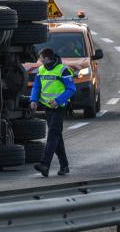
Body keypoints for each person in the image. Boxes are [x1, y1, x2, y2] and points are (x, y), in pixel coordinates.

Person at [30, 47, 76, 177]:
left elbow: (71, 89)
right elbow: (37, 86)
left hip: (59, 108)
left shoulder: (63, 70)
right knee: (57, 137)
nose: (40, 60)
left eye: (41, 57)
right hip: (47, 107)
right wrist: (34, 100)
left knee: (52, 135)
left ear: (48, 58)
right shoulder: (41, 70)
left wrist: (58, 100)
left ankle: (45, 164)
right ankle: (64, 166)